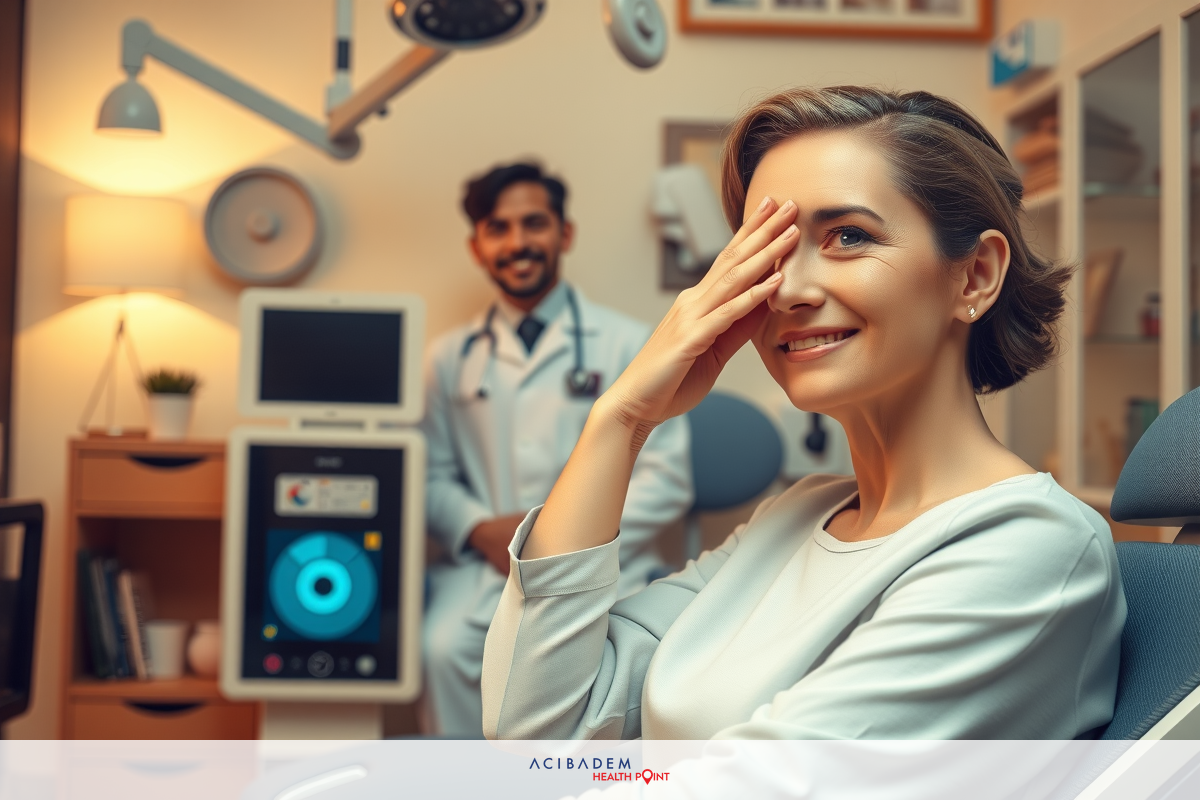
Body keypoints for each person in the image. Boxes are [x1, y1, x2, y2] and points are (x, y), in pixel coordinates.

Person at [481, 87, 1126, 740]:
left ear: (975, 275)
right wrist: (620, 420)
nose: (787, 290)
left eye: (848, 237)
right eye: (768, 253)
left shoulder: (1023, 547)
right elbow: (536, 732)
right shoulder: (793, 518)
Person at [420, 163, 693, 737]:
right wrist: (475, 528)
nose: (518, 243)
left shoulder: (626, 341)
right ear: (477, 246)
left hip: (605, 563)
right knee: (442, 648)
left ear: (563, 234)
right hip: (485, 566)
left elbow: (666, 477)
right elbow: (430, 475)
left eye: (534, 224)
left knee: (632, 654)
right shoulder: (447, 357)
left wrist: (565, 543)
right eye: (499, 228)